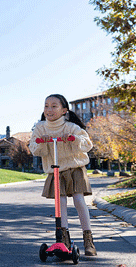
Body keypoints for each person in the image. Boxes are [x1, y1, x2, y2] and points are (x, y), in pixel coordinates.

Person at [29, 94, 97, 256]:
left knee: (79, 199)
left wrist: (73, 139)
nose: (49, 109)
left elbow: (87, 143)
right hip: (55, 169)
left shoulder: (70, 126)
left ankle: (88, 239)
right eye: (46, 106)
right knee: (60, 203)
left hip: (75, 168)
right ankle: (63, 239)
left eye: (54, 106)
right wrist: (42, 141)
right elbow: (33, 146)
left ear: (64, 110)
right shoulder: (40, 128)